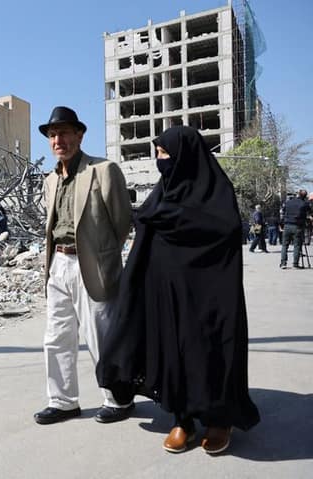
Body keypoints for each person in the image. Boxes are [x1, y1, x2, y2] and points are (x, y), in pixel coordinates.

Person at [96, 126, 260, 454]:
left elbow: (225, 231)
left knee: (209, 349)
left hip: (208, 294)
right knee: (173, 349)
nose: (160, 161)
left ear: (186, 156)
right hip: (167, 293)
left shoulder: (216, 192)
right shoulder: (162, 193)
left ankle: (218, 419)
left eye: (165, 154)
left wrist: (177, 221)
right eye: (157, 154)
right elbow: (146, 230)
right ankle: (182, 418)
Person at [33, 106, 133, 426]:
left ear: (79, 135)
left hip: (92, 263)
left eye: (63, 133)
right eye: (52, 135)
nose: (57, 140)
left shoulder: (103, 170)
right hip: (58, 264)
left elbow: (122, 222)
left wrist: (102, 254)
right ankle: (63, 402)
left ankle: (117, 399)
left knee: (100, 335)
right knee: (56, 337)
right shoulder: (51, 179)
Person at [279, 189, 311, 269]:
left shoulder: (288, 202)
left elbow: (283, 212)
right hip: (297, 226)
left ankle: (283, 263)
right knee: (297, 245)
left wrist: (281, 224)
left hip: (287, 225)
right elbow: (309, 211)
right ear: (305, 196)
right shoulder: (304, 204)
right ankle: (295, 264)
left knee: (284, 245)